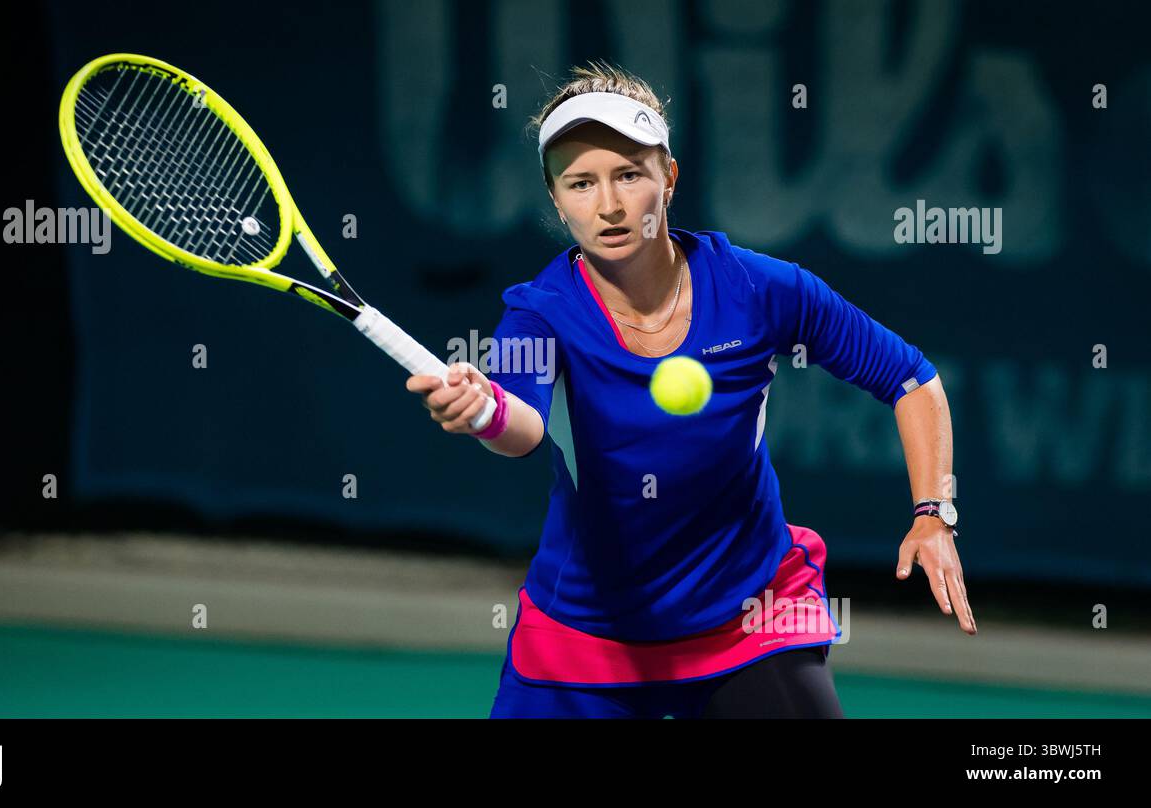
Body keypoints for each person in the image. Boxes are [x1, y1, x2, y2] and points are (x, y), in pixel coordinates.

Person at [406, 63, 975, 719]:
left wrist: (933, 513)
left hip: (749, 615)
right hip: (588, 633)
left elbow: (909, 378)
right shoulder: (541, 313)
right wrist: (481, 408)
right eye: (581, 183)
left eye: (629, 175)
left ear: (668, 178)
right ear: (557, 201)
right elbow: (522, 427)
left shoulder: (760, 290)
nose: (609, 205)